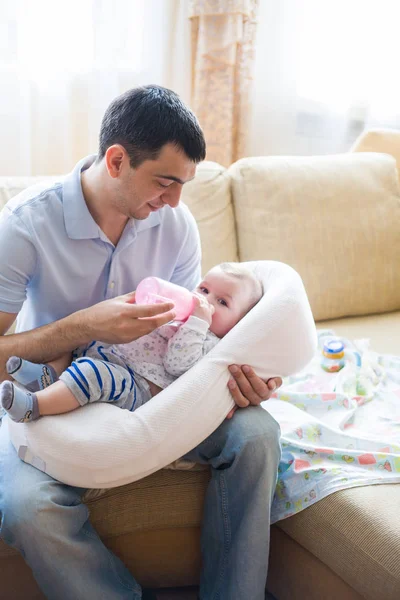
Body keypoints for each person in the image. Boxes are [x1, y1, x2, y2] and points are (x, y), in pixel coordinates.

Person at [0, 85, 282, 600]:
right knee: (26, 507)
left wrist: (237, 381)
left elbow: (199, 341)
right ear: (116, 160)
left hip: (156, 393)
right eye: (165, 182)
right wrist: (83, 325)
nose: (174, 201)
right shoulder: (24, 226)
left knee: (258, 434)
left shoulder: (176, 225)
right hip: (59, 394)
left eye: (183, 185)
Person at [1, 263, 263, 422]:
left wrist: (197, 322)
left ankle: (35, 406)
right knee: (77, 339)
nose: (206, 302)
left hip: (137, 385)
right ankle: (47, 377)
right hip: (112, 356)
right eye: (204, 290)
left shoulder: (210, 342)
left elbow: (177, 365)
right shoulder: (182, 315)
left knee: (93, 374)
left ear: (238, 325)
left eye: (223, 302)